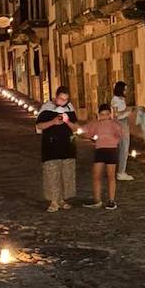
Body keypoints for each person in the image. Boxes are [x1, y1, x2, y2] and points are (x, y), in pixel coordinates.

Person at [36, 85, 78, 213]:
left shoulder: (70, 108)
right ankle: (53, 201)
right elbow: (39, 125)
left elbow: (75, 127)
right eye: (61, 99)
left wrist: (67, 122)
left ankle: (62, 199)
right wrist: (53, 122)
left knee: (66, 174)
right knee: (52, 173)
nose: (63, 102)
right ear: (56, 97)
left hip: (67, 146)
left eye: (66, 100)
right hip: (51, 146)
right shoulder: (46, 108)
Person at [84, 102, 123, 210]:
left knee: (111, 176)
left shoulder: (114, 124)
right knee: (96, 176)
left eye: (106, 114)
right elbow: (88, 133)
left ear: (110, 114)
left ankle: (111, 200)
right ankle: (97, 200)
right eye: (102, 114)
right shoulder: (96, 124)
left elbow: (120, 135)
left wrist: (115, 137)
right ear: (99, 114)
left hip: (111, 150)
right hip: (100, 150)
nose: (104, 117)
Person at [111, 80, 133, 181]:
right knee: (123, 149)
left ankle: (121, 170)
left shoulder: (121, 100)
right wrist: (126, 112)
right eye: (125, 89)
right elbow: (115, 115)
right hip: (121, 124)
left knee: (124, 148)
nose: (126, 91)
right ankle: (121, 172)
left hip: (124, 123)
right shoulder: (115, 100)